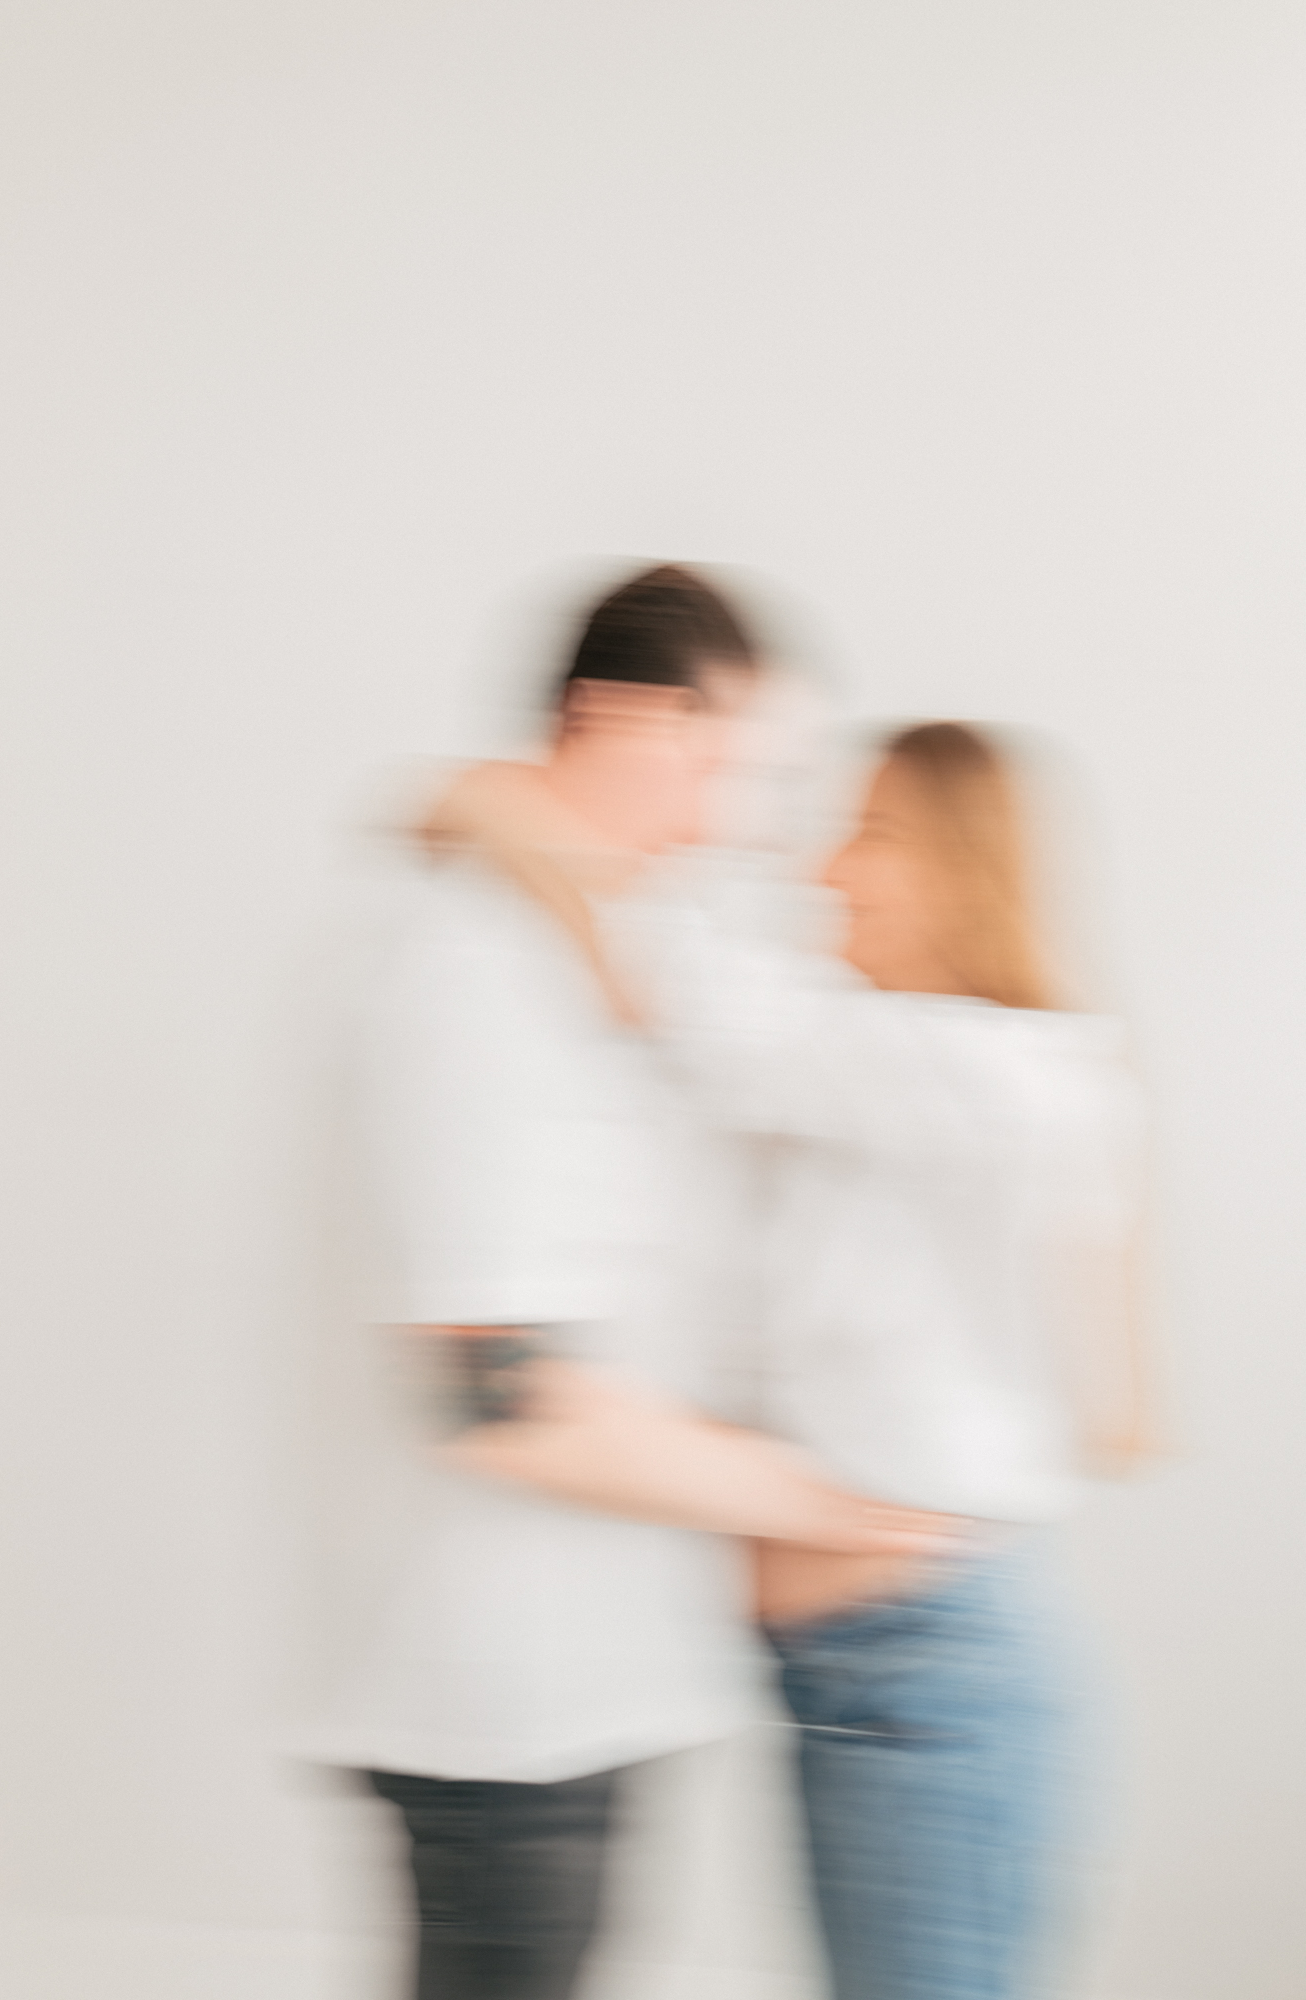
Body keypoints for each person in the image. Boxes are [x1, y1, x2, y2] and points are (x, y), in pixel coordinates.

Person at [299, 565, 956, 2000]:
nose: (738, 817)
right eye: (723, 758)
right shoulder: (473, 968)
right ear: (615, 716)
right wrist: (842, 1506)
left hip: (585, 1682)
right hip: (498, 1701)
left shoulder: (606, 945)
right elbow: (498, 1394)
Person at [425, 718, 1154, 2000]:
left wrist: (515, 823)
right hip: (839, 1672)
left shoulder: (998, 1070)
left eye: (872, 833)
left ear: (965, 867)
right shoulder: (866, 1071)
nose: (823, 868)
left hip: (928, 1675)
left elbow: (696, 1003)